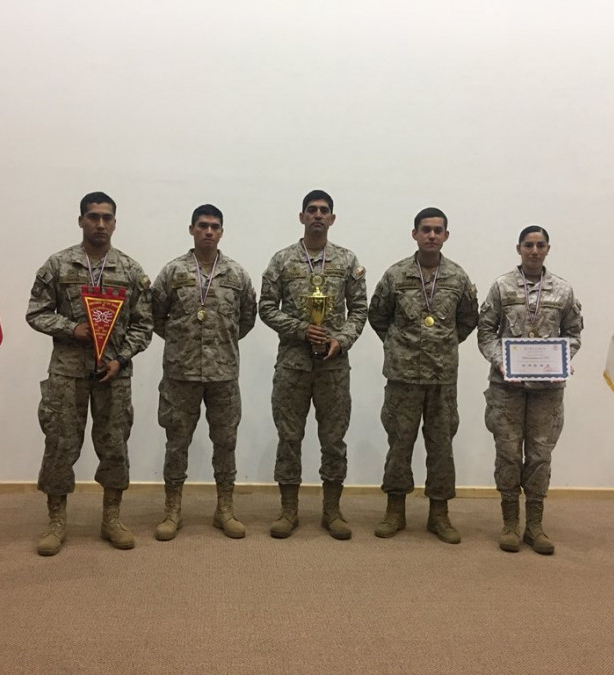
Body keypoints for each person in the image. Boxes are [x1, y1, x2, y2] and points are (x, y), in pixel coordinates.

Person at [26, 192, 153, 556]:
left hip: (113, 372)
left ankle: (111, 518)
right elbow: (35, 312)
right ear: (80, 220)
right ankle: (56, 522)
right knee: (60, 444)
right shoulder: (58, 265)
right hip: (68, 372)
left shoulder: (130, 270)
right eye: (93, 217)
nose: (100, 224)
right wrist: (71, 328)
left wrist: (122, 357)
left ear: (115, 223)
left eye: (107, 218)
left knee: (114, 446)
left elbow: (145, 324)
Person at [258, 189, 368, 540]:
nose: (318, 215)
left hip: (334, 367)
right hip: (292, 364)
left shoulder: (348, 261)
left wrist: (342, 339)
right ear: (302, 216)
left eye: (324, 211)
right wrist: (301, 329)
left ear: (332, 218)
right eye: (312, 210)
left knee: (333, 439)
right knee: (289, 437)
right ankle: (288, 510)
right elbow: (265, 307)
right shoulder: (282, 261)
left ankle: (332, 511)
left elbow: (361, 310)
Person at [368, 208, 479, 543]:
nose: (431, 235)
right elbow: (378, 315)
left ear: (446, 236)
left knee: (441, 446)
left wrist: (441, 344)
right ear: (414, 234)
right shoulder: (396, 275)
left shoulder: (458, 278)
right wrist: (403, 346)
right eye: (425, 230)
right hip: (403, 376)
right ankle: (395, 510)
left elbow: (468, 319)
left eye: (438, 230)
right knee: (399, 444)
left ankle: (439, 515)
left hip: (442, 378)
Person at [151, 204, 257, 540]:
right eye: (202, 225)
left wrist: (217, 344)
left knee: (225, 442)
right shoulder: (172, 272)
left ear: (222, 231)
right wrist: (183, 341)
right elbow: (154, 315)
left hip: (223, 375)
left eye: (214, 226)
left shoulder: (237, 275)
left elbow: (246, 319)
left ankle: (224, 509)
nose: (208, 231)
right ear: (191, 229)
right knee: (176, 443)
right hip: (180, 374)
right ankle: (172, 511)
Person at [477, 225, 583, 555]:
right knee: (508, 452)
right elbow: (486, 332)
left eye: (540, 245)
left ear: (548, 249)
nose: (534, 251)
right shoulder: (502, 286)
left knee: (540, 455)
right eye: (528, 245)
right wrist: (500, 361)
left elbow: (574, 334)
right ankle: (510, 522)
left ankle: (535, 525)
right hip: (506, 387)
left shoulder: (562, 291)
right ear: (519, 248)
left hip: (546, 390)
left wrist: (562, 359)